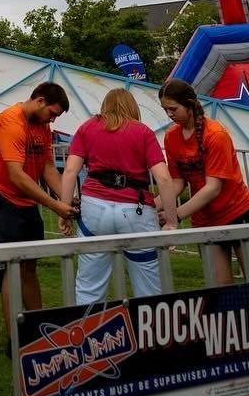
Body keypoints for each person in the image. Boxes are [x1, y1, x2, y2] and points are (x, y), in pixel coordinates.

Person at [159, 78, 249, 385]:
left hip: (240, 216)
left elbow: (213, 188)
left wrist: (177, 215)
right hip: (207, 224)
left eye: (172, 109)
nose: (168, 115)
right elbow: (177, 182)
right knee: (223, 301)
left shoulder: (215, 134)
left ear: (188, 104)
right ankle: (240, 372)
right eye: (165, 110)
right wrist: (154, 203)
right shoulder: (172, 138)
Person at [58, 88, 178, 302]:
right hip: (136, 211)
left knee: (89, 286)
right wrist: (171, 222)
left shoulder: (87, 128)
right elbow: (164, 179)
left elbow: (69, 172)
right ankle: (151, 332)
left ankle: (87, 333)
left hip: (94, 209)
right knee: (149, 287)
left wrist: (64, 210)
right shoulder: (143, 132)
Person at [0, 81, 77, 340]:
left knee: (30, 265)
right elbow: (16, 176)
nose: (52, 120)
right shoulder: (11, 122)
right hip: (0, 195)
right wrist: (55, 205)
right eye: (52, 114)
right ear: (40, 100)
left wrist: (67, 199)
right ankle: (14, 340)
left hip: (26, 199)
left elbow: (47, 168)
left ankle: (39, 331)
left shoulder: (43, 128)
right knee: (13, 265)